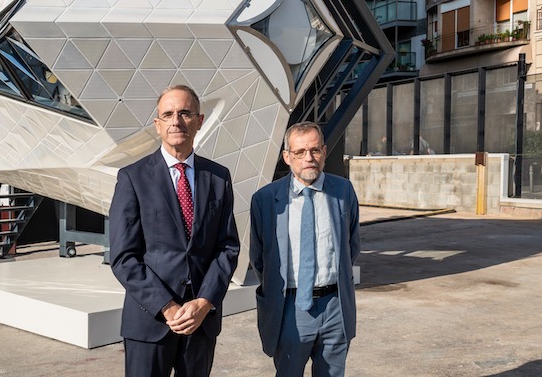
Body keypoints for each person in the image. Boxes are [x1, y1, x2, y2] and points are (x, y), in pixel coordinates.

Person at [109, 84, 240, 377]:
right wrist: (167, 308)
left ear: (199, 120)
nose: (176, 121)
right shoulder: (132, 178)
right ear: (157, 125)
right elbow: (123, 257)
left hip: (200, 322)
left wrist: (205, 302)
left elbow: (227, 247)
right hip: (150, 320)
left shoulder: (218, 177)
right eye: (167, 114)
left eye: (184, 113)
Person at [250, 121, 360, 377]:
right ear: (287, 157)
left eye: (314, 150)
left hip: (335, 307)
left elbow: (352, 245)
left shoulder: (343, 191)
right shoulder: (265, 199)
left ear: (323, 151)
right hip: (290, 307)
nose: (308, 158)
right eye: (299, 152)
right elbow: (259, 258)